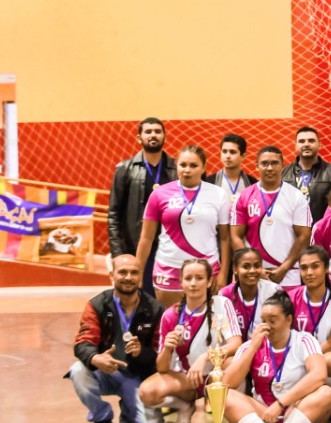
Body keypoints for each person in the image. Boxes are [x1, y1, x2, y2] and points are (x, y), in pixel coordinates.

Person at [222, 290, 331, 423]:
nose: (266, 326)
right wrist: (253, 347)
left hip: (297, 417)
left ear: (289, 320)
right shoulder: (251, 345)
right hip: (262, 419)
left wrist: (281, 404)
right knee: (223, 394)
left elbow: (319, 374)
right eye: (263, 321)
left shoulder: (304, 340)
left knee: (327, 393)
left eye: (273, 320)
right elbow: (228, 382)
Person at [68, 254, 165, 423]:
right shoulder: (97, 305)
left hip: (137, 377)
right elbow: (83, 342)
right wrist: (96, 358)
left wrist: (141, 353)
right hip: (105, 372)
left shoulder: (155, 309)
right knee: (77, 370)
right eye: (123, 272)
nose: (128, 277)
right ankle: (101, 420)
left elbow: (159, 354)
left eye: (134, 273)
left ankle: (128, 409)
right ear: (111, 275)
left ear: (140, 276)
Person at [138, 258, 242, 423]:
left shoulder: (221, 304)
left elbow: (236, 343)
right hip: (187, 380)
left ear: (209, 281)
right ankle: (185, 406)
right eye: (188, 278)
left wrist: (205, 357)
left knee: (235, 364)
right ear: (181, 282)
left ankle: (231, 416)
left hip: (217, 374)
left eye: (199, 278)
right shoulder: (171, 315)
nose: (193, 283)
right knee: (147, 393)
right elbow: (162, 368)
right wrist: (168, 349)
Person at [136, 145, 230, 305]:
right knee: (171, 323)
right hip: (168, 268)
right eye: (183, 165)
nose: (187, 170)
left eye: (193, 165)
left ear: (203, 168)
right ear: (176, 166)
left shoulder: (218, 194)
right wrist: (138, 273)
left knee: (209, 324)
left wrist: (223, 274)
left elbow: (225, 238)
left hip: (207, 269)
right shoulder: (159, 194)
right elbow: (146, 237)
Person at [108, 117, 177, 292]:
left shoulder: (177, 168)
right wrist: (118, 254)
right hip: (136, 246)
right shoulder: (125, 168)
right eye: (148, 131)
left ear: (164, 136)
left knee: (168, 299)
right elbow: (114, 214)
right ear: (139, 138)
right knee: (139, 299)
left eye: (157, 131)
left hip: (171, 248)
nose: (153, 135)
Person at [230, 146, 311, 287]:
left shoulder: (296, 196)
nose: (269, 168)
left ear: (282, 165)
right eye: (264, 163)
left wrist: (284, 268)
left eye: (274, 163)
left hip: (288, 274)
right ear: (257, 166)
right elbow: (235, 236)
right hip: (253, 274)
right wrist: (254, 268)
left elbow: (304, 236)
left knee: (287, 310)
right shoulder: (244, 196)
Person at [287, 246, 331, 385]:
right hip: (295, 356)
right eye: (304, 268)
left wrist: (307, 357)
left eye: (315, 266)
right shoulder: (291, 296)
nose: (309, 273)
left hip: (323, 355)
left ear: (326, 268)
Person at [282, 126, 331, 224]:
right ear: (295, 146)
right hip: (292, 232)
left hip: (323, 233)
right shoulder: (283, 174)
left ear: (320, 145)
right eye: (302, 141)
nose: (306, 144)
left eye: (311, 141)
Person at [218, 247, 281, 340]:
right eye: (246, 266)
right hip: (235, 350)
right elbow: (222, 333)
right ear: (235, 269)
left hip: (266, 348)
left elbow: (280, 328)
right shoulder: (225, 294)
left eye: (257, 266)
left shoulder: (273, 290)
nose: (252, 271)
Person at [206, 133, 257, 212]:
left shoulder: (253, 184)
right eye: (224, 151)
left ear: (243, 156)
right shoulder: (208, 183)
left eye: (232, 152)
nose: (227, 156)